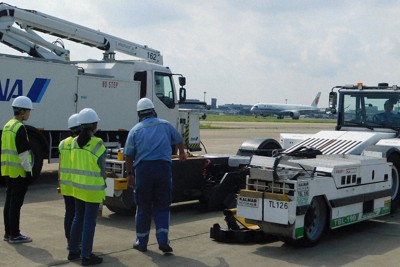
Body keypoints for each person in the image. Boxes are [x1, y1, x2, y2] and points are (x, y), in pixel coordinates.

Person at [124, 98, 187, 254]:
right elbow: (179, 139)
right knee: (162, 205)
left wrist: (129, 173)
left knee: (143, 207)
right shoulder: (165, 125)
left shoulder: (135, 130)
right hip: (163, 170)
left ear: (139, 114)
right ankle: (163, 240)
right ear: (153, 111)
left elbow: (128, 155)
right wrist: (182, 153)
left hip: (144, 171)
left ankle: (141, 241)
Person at [67, 108, 106, 266]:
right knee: (90, 222)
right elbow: (102, 170)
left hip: (78, 188)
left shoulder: (74, 142)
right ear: (94, 125)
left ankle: (73, 250)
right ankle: (86, 256)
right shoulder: (98, 143)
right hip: (93, 190)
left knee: (78, 218)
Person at [1, 96, 34, 244]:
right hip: (19, 172)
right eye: (28, 111)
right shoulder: (19, 128)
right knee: (15, 205)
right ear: (22, 111)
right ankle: (15, 234)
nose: (29, 114)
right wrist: (29, 173)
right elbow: (23, 155)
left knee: (9, 203)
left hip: (8, 171)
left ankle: (8, 233)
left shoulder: (8, 126)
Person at [58, 113, 81, 246]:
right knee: (78, 215)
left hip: (65, 184)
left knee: (69, 212)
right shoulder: (79, 143)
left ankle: (69, 240)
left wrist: (59, 182)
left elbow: (60, 165)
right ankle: (76, 242)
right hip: (76, 185)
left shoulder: (62, 144)